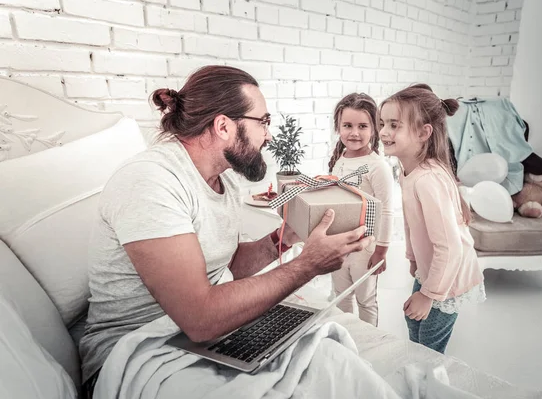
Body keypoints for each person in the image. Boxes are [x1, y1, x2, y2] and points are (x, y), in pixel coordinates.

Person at [78, 65, 374, 396]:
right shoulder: (151, 182)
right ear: (223, 126)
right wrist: (309, 264)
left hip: (205, 338)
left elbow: (225, 268)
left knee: (333, 364)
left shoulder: (225, 181)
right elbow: (200, 317)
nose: (269, 135)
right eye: (263, 122)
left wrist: (284, 238)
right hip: (138, 349)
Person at [378, 84, 486, 354]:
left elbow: (451, 247)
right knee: (413, 322)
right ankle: (418, 375)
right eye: (382, 123)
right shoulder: (408, 173)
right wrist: (413, 257)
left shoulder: (427, 180)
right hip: (433, 267)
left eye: (394, 125)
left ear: (423, 133)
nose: (383, 132)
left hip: (450, 274)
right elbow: (412, 223)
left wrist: (427, 295)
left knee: (429, 342)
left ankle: (429, 383)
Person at [327, 93, 394, 327]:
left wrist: (382, 251)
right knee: (341, 295)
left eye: (362, 126)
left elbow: (386, 211)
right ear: (339, 127)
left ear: (374, 128)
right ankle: (345, 337)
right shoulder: (340, 159)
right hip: (339, 242)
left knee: (365, 298)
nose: (354, 133)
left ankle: (368, 345)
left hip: (365, 245)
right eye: (347, 125)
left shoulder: (378, 167)